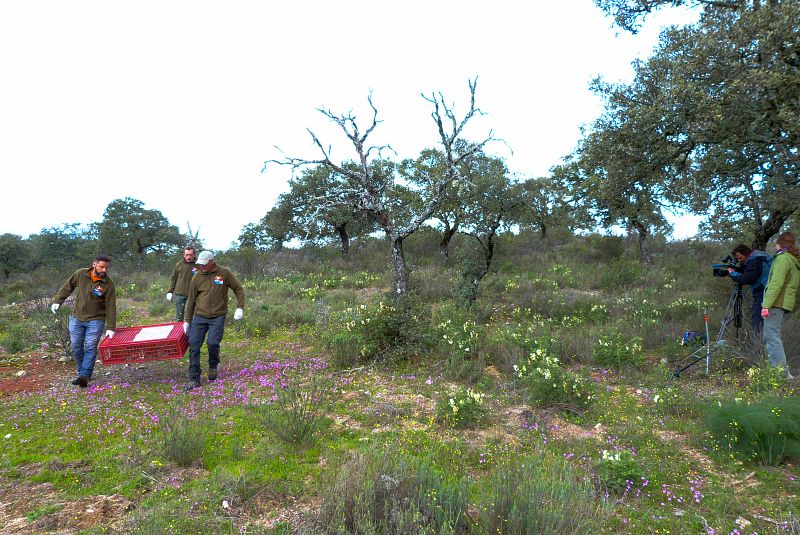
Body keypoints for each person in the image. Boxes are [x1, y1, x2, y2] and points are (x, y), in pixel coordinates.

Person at [51, 254, 117, 388]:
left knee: (91, 346)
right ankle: (81, 373)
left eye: (106, 268)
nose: (104, 270)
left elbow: (111, 306)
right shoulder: (81, 274)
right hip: (77, 318)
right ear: (94, 264)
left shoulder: (108, 284)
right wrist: (58, 301)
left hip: (96, 319)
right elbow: (67, 287)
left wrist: (111, 327)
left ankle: (85, 375)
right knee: (76, 346)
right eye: (101, 267)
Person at [183, 251, 244, 390]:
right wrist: (187, 320)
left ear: (212, 262)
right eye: (200, 264)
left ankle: (213, 366)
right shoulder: (197, 277)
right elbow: (191, 300)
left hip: (218, 315)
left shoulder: (224, 273)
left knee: (212, 343)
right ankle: (194, 378)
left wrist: (240, 307)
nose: (202, 267)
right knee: (194, 345)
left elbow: (238, 289)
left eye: (205, 264)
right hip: (200, 316)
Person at [760, 232, 800, 379]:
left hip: (776, 302)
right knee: (772, 336)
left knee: (771, 337)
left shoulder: (783, 259)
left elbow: (776, 284)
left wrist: (766, 305)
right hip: (783, 303)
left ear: (780, 244)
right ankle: (780, 373)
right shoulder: (792, 259)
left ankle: (781, 375)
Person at [727, 243, 771, 334]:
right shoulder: (758, 256)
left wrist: (733, 274)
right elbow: (749, 271)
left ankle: (759, 345)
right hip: (766, 290)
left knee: (758, 320)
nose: (739, 261)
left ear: (746, 253)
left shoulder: (755, 260)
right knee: (761, 320)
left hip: (763, 291)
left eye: (740, 258)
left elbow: (748, 278)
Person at [166, 246, 197, 321]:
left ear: (194, 255)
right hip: (179, 294)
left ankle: (190, 332)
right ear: (184, 255)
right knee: (179, 316)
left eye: (190, 255)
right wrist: (170, 291)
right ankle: (179, 332)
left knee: (190, 316)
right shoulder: (179, 264)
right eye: (187, 255)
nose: (188, 257)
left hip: (192, 295)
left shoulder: (198, 265)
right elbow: (173, 278)